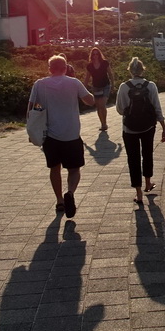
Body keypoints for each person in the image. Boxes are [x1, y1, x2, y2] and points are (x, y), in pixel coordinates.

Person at [29, 54, 95, 218]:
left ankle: (59, 201)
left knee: (54, 168)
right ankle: (70, 192)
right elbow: (90, 101)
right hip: (72, 133)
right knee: (74, 169)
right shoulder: (74, 83)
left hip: (50, 135)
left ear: (50, 69)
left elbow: (31, 107)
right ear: (65, 68)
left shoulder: (40, 84)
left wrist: (31, 130)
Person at [115, 57, 165, 204]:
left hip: (129, 128)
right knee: (147, 154)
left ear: (130, 70)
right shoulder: (150, 86)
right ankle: (148, 183)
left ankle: (138, 193)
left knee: (133, 159)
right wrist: (163, 127)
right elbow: (157, 108)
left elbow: (119, 109)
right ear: (142, 69)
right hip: (148, 127)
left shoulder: (124, 87)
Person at [85, 47, 113, 131]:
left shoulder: (105, 63)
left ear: (99, 54)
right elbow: (87, 78)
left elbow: (110, 74)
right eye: (94, 54)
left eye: (97, 54)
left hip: (105, 85)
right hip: (96, 87)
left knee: (102, 105)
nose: (95, 55)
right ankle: (102, 124)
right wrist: (84, 88)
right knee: (98, 107)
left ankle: (105, 123)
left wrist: (113, 84)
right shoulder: (89, 66)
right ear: (92, 55)